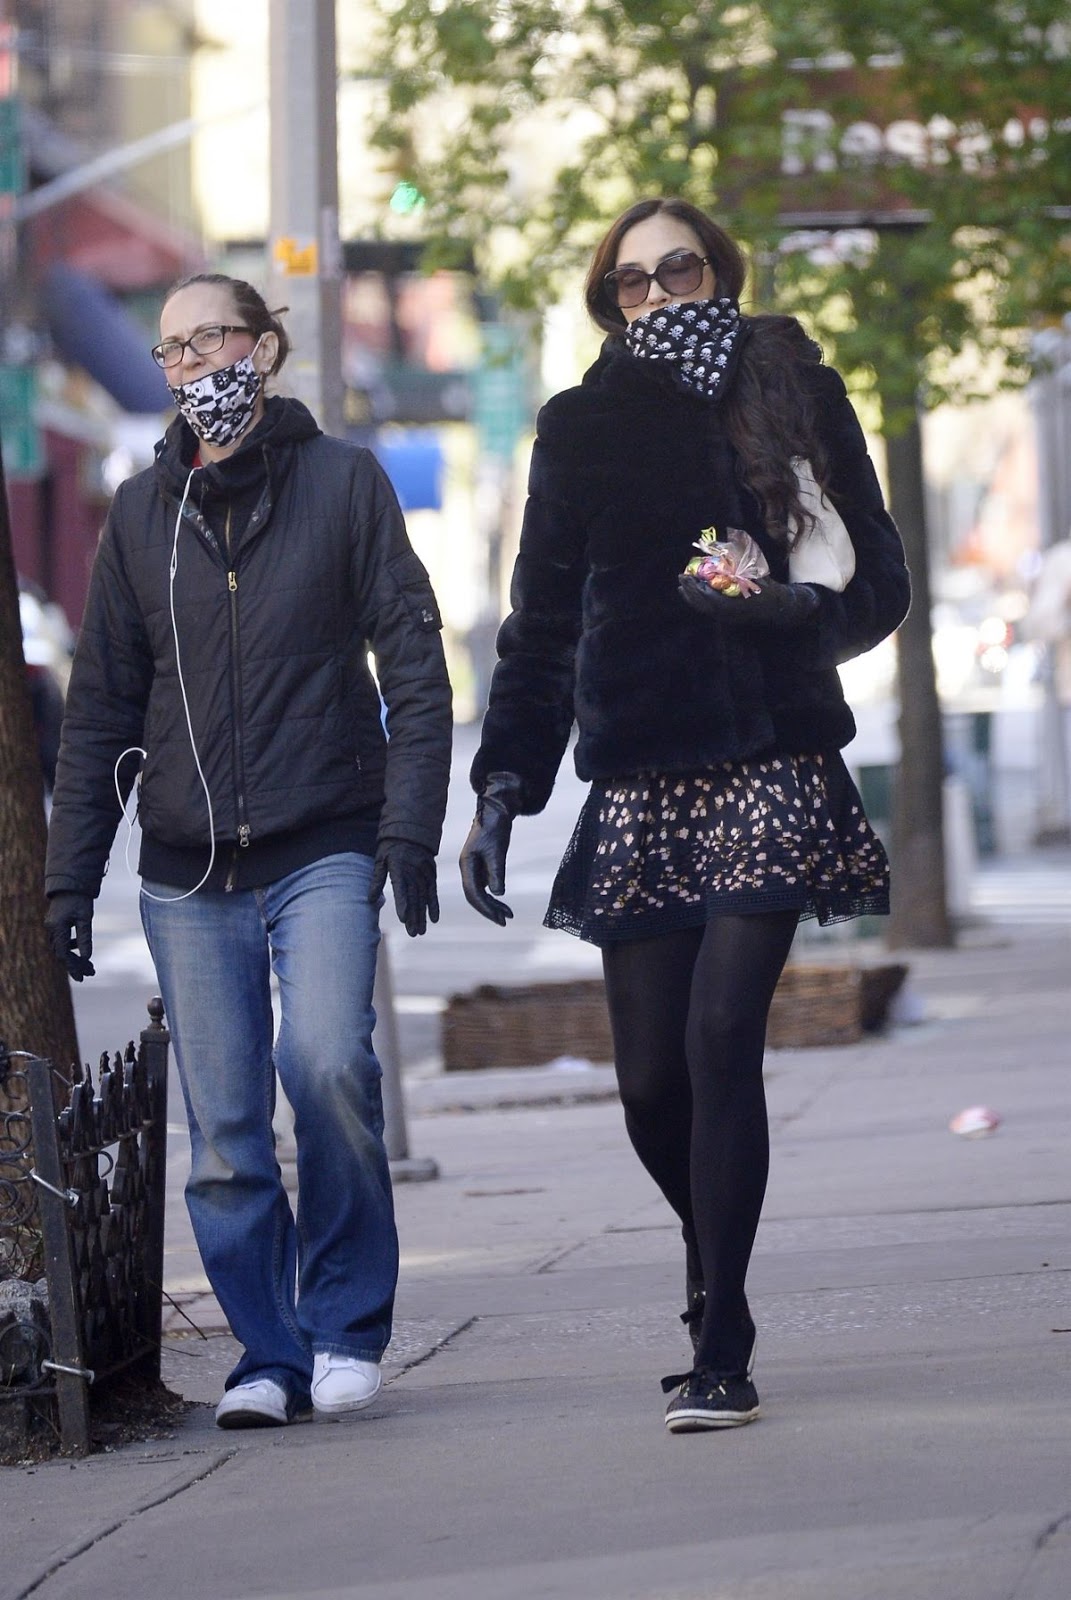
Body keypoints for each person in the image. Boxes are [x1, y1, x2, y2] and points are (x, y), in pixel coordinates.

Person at [459, 199, 910, 1433]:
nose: (662, 293)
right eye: (636, 280)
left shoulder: (794, 387)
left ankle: (724, 1338)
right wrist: (503, 786)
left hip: (771, 753)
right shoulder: (581, 425)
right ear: (610, 300)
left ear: (720, 270)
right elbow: (540, 623)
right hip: (643, 777)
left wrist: (790, 621)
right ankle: (712, 1259)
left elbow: (881, 580)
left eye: (682, 269)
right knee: (651, 1080)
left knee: (722, 1040)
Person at [44, 274, 452, 1428]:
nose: (189, 365)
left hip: (322, 840)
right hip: (185, 870)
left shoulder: (345, 483)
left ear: (264, 348)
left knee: (327, 1066)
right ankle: (266, 1353)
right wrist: (74, 871)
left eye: (210, 337)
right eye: (170, 349)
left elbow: (415, 670)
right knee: (225, 1134)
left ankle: (345, 1326)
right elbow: (101, 707)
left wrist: (409, 827)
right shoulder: (140, 512)